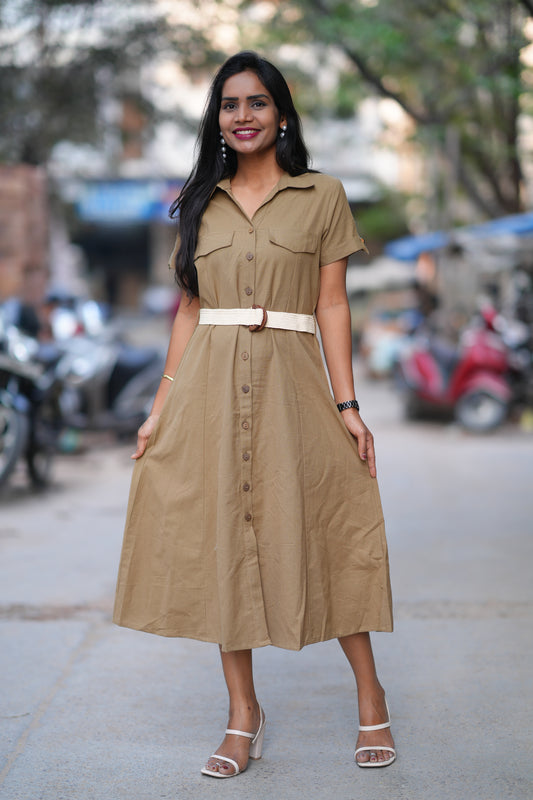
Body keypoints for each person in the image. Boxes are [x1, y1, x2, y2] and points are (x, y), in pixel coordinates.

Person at [113, 51, 395, 777]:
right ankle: (243, 715)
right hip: (208, 388)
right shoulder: (198, 201)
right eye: (230, 104)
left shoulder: (321, 194)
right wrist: (159, 409)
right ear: (217, 118)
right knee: (221, 545)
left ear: (281, 114)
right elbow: (189, 308)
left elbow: (331, 304)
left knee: (329, 529)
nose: (242, 116)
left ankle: (370, 696)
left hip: (294, 387)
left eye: (257, 103)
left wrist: (348, 404)